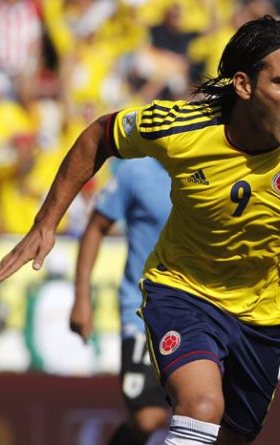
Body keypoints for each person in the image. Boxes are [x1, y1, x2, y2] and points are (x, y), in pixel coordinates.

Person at [0, 15, 280, 445]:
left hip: (267, 315)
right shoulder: (182, 127)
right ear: (243, 85)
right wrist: (46, 222)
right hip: (183, 291)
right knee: (201, 408)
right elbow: (99, 135)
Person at [70, 157, 173, 445]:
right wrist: (81, 298)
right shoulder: (135, 171)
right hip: (143, 309)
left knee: (203, 411)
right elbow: (96, 227)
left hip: (201, 309)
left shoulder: (218, 165)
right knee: (147, 418)